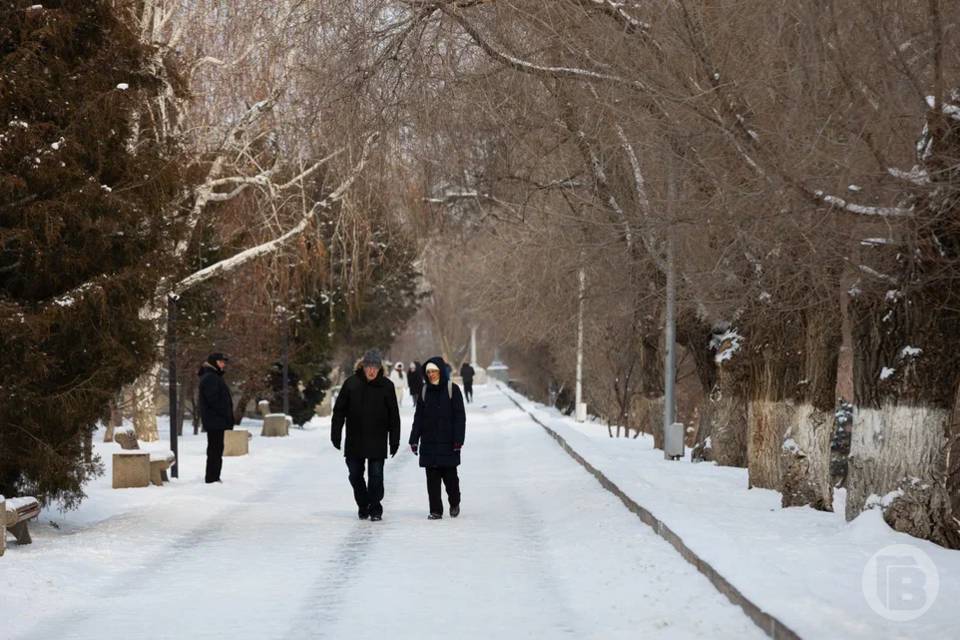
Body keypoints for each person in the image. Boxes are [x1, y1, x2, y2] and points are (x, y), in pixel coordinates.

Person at [331, 350, 401, 521]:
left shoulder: (387, 386)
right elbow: (339, 410)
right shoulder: (351, 384)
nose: (371, 370)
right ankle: (364, 504)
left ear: (379, 368)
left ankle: (375, 508)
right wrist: (336, 434)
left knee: (376, 476)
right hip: (355, 439)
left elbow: (394, 415)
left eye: (375, 367)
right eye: (368, 366)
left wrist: (394, 440)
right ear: (363, 367)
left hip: (377, 438)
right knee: (355, 474)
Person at [410, 357, 466, 519]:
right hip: (428, 442)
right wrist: (414, 439)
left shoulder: (452, 389)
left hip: (448, 443)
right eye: (428, 372)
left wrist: (458, 440)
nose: (431, 374)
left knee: (451, 479)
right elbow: (418, 417)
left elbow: (459, 416)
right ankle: (435, 510)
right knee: (432, 479)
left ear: (441, 371)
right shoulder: (424, 390)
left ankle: (454, 501)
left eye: (434, 371)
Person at [197, 352, 235, 484]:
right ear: (214, 362)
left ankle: (213, 477)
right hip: (215, 420)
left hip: (216, 420)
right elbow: (214, 400)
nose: (223, 364)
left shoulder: (213, 376)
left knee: (216, 449)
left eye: (224, 362)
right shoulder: (210, 378)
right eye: (221, 362)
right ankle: (212, 478)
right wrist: (225, 414)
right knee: (215, 450)